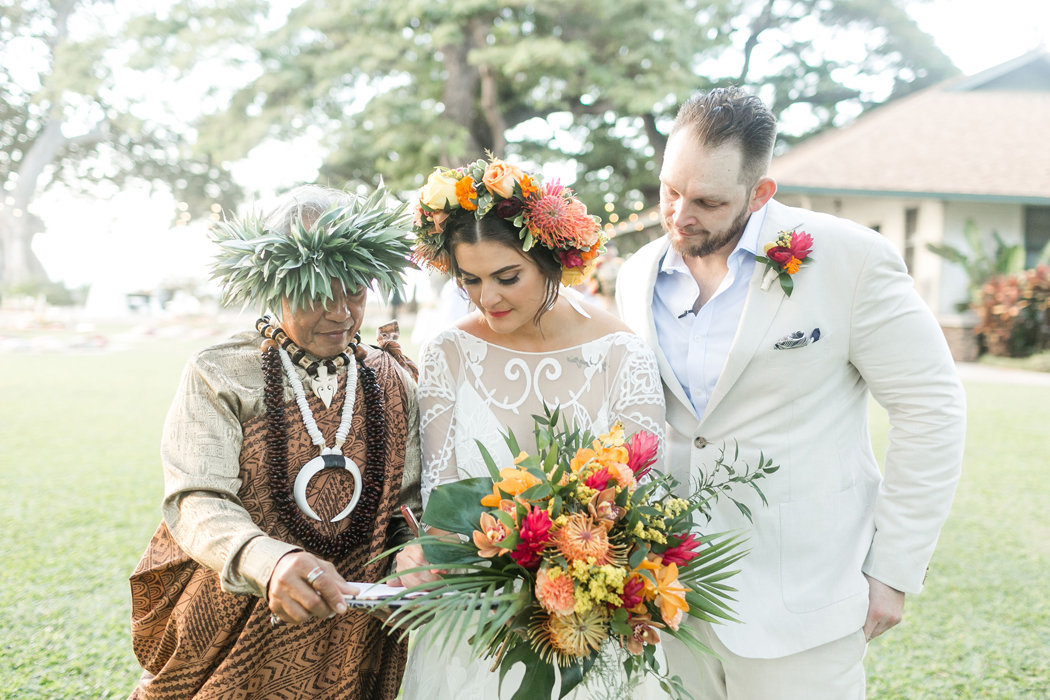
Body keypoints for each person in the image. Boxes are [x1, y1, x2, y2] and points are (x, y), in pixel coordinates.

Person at [615, 86, 966, 698]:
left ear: (760, 194)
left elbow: (931, 406)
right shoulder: (636, 273)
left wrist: (895, 568)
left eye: (707, 200)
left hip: (805, 601)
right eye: (671, 190)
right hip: (667, 604)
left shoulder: (850, 260)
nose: (678, 215)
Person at [128, 184, 421, 699]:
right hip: (233, 619)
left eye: (354, 290)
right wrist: (270, 563)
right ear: (274, 284)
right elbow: (196, 497)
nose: (340, 313)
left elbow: (412, 505)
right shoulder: (220, 373)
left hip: (350, 629)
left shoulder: (391, 377)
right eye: (317, 294)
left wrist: (414, 557)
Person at [394, 157, 667, 698]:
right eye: (469, 279)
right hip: (475, 631)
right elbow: (440, 504)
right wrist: (424, 550)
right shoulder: (449, 352)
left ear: (550, 260)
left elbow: (646, 499)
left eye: (507, 276)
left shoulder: (621, 354)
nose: (487, 298)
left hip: (588, 635)